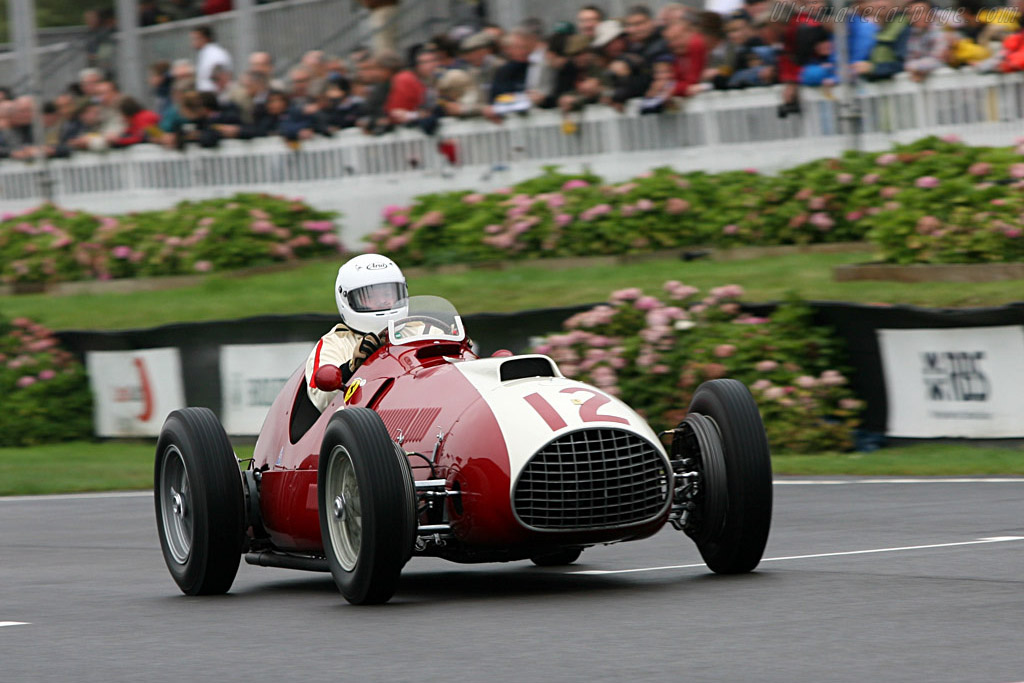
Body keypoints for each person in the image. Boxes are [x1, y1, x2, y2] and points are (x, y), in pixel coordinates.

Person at [305, 254, 409, 412]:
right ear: (348, 299)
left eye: (388, 294)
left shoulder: (422, 330)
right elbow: (320, 398)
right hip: (365, 423)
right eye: (371, 296)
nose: (383, 301)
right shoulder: (335, 342)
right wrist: (352, 368)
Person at [192, 25, 233, 92]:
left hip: (213, 94)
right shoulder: (205, 53)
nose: (193, 42)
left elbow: (223, 76)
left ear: (205, 38)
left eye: (195, 38)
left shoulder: (215, 53)